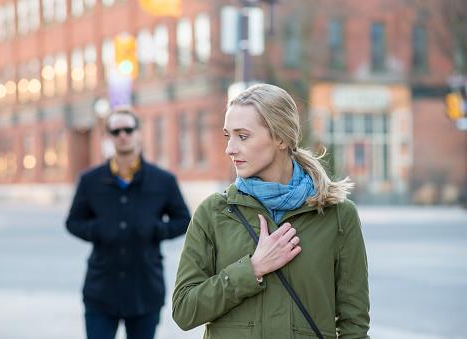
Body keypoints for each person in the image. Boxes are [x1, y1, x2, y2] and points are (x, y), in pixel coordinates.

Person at [172, 84, 370, 338]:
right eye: (228, 136)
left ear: (281, 138)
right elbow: (184, 310)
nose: (230, 148)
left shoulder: (339, 215)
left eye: (242, 136)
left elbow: (354, 323)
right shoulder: (214, 212)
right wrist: (252, 269)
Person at [66, 107, 191, 339]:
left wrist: (156, 230)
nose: (122, 135)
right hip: (101, 289)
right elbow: (73, 222)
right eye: (115, 131)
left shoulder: (163, 180)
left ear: (138, 133)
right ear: (109, 137)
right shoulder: (90, 180)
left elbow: (183, 220)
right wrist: (99, 230)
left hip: (145, 290)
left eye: (128, 129)